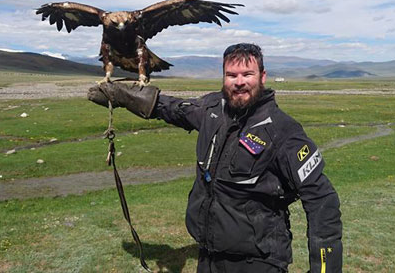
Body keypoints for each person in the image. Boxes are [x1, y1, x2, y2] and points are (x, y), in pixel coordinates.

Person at [88, 43, 342, 273]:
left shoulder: (283, 131)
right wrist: (123, 97)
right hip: (209, 256)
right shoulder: (212, 111)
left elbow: (322, 200)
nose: (239, 82)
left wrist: (325, 269)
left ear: (262, 77)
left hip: (257, 262)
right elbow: (172, 108)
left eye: (247, 74)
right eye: (231, 75)